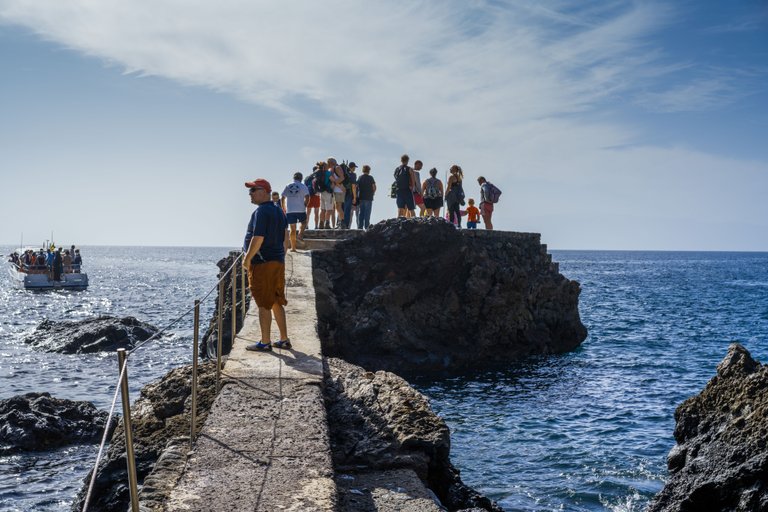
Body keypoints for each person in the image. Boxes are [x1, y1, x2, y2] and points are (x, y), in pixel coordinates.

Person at [242, 178, 290, 352]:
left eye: (253, 190)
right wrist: (282, 255)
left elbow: (258, 237)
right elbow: (286, 236)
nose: (250, 194)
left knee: (263, 302)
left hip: (263, 263)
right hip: (277, 261)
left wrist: (247, 259)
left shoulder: (261, 211)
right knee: (276, 300)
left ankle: (265, 342)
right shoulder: (279, 211)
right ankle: (284, 339)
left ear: (263, 191)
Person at [281, 172, 310, 252]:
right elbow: (307, 196)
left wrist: (283, 207)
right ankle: (300, 235)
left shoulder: (288, 185)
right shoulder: (303, 186)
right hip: (300, 209)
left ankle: (293, 248)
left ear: (293, 178)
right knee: (304, 222)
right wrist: (305, 204)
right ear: (301, 178)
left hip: (290, 210)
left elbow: (282, 197)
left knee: (292, 229)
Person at [394, 154, 415, 218]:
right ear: (407, 160)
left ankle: (398, 224)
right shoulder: (409, 169)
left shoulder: (397, 169)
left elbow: (395, 178)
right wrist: (412, 188)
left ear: (401, 160)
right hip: (407, 190)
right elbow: (413, 180)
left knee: (400, 209)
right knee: (411, 209)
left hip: (399, 190)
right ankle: (414, 223)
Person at [356, 164, 377, 229]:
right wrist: (373, 193)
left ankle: (360, 227)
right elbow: (374, 187)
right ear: (369, 170)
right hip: (369, 197)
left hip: (361, 197)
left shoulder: (360, 177)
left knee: (361, 213)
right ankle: (367, 227)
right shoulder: (371, 178)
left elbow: (356, 186)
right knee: (367, 213)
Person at [329, 157, 346, 228]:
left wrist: (336, 182)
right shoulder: (333, 169)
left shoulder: (337, 168)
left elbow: (342, 178)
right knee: (337, 207)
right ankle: (340, 223)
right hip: (337, 190)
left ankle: (342, 223)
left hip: (339, 191)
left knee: (339, 207)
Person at [342, 162, 358, 229]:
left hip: (341, 193)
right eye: (354, 167)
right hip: (349, 194)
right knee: (347, 210)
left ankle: (340, 223)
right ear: (353, 167)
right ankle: (346, 225)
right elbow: (353, 186)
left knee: (341, 209)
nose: (355, 169)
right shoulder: (353, 175)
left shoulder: (344, 173)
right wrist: (354, 197)